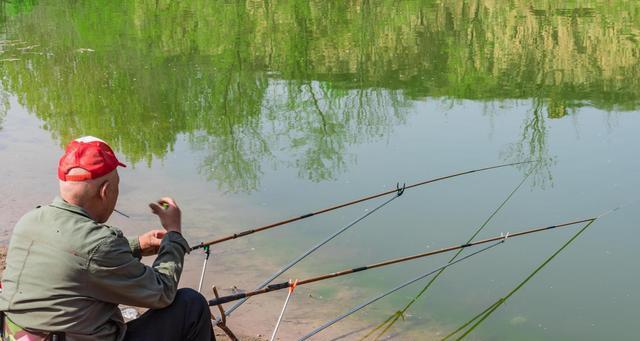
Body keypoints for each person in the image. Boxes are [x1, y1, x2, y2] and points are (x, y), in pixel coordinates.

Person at [0, 136, 214, 341]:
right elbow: (162, 291)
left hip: (21, 337)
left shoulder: (28, 222)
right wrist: (174, 233)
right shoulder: (99, 245)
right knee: (190, 305)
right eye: (117, 186)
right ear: (106, 190)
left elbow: (74, 259)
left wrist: (137, 246)